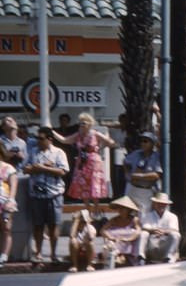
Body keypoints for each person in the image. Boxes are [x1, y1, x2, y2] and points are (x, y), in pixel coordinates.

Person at [53, 112, 117, 216]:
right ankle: (87, 209)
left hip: (93, 161)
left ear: (89, 124)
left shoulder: (95, 133)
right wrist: (52, 131)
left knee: (94, 184)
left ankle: (96, 209)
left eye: (84, 123)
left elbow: (111, 143)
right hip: (82, 162)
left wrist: (101, 146)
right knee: (83, 185)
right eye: (80, 123)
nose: (81, 125)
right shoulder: (78, 135)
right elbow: (64, 140)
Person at [24, 127, 69, 264]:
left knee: (53, 225)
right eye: (37, 138)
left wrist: (44, 168)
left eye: (41, 138)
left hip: (54, 193)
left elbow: (63, 171)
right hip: (37, 194)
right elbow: (25, 168)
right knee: (38, 225)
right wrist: (36, 168)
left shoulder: (58, 152)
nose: (38, 141)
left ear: (50, 139)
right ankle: (38, 253)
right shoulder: (33, 152)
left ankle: (54, 254)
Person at [122, 131, 162, 214]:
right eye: (141, 141)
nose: (143, 143)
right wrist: (128, 174)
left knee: (144, 215)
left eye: (146, 141)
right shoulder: (136, 153)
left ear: (152, 143)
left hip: (146, 190)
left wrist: (139, 176)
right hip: (132, 188)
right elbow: (125, 162)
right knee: (128, 213)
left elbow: (156, 175)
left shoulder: (156, 156)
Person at [99, 196, 142, 267]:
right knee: (109, 244)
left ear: (128, 210)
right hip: (114, 243)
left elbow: (138, 231)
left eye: (123, 208)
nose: (120, 210)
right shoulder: (114, 220)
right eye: (119, 208)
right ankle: (116, 257)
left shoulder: (134, 219)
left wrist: (128, 239)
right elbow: (103, 230)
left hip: (129, 244)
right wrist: (110, 237)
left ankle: (122, 257)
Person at [139, 192, 181, 263]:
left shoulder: (172, 216)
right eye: (158, 203)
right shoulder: (147, 215)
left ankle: (169, 257)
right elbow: (144, 227)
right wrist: (153, 230)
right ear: (154, 204)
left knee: (176, 235)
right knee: (143, 234)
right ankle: (141, 257)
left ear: (167, 205)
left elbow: (175, 229)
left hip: (165, 245)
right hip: (151, 245)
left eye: (163, 204)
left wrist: (164, 232)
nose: (161, 205)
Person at [0, 144, 18, 267]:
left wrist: (11, 200)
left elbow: (13, 186)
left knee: (6, 229)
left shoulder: (8, 168)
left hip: (4, 202)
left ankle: (4, 256)